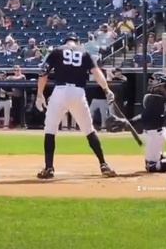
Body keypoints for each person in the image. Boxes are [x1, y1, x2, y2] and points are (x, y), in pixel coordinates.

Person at [35, 33, 117, 179]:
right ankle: (103, 164)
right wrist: (107, 89)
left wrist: (40, 94)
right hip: (78, 92)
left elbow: (43, 73)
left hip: (60, 91)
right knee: (89, 130)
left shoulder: (57, 50)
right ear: (77, 42)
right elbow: (97, 72)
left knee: (50, 130)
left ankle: (49, 168)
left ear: (66, 41)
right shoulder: (84, 52)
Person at [129, 72, 166, 172]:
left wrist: (128, 122)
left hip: (155, 134)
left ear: (161, 83)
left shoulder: (157, 98)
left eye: (155, 80)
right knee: (155, 161)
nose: (152, 82)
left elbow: (144, 117)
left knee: (151, 166)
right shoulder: (163, 94)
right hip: (156, 133)